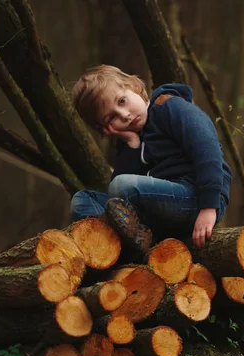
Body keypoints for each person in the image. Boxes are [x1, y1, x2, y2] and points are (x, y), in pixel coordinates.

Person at [70, 65, 231, 252]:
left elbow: (208, 149)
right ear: (106, 129)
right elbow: (119, 203)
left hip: (196, 198)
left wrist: (208, 207)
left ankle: (123, 244)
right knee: (82, 200)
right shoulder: (129, 140)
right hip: (161, 209)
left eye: (122, 101)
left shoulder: (170, 107)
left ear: (134, 86)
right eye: (112, 117)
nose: (125, 115)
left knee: (121, 187)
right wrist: (132, 144)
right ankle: (119, 243)